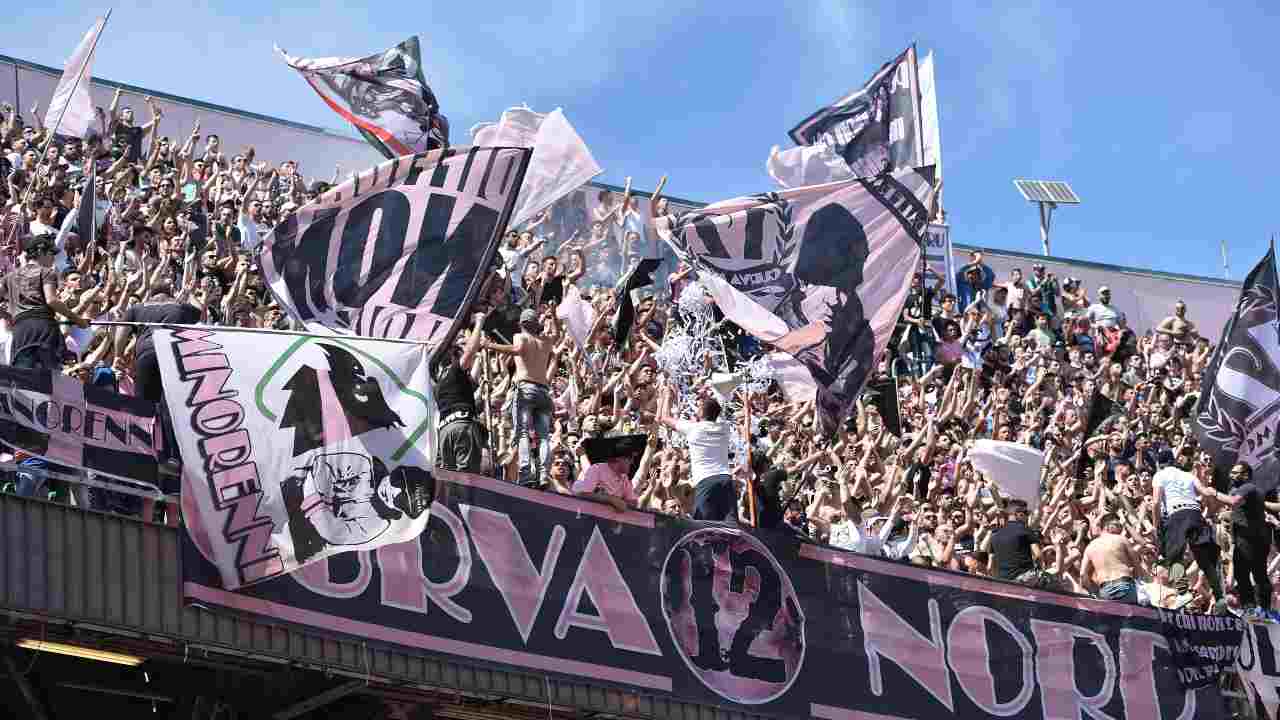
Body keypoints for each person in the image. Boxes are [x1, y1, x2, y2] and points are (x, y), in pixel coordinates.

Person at [482, 308, 554, 486]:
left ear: (521, 324)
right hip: (544, 392)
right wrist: (553, 314)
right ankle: (544, 474)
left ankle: (526, 474)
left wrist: (490, 345)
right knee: (544, 436)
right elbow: (557, 333)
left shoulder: (520, 337)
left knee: (522, 432)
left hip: (526, 389)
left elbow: (517, 349)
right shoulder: (546, 341)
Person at [0, 235, 89, 370]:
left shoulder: (9, 277)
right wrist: (78, 320)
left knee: (25, 380)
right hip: (43, 330)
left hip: (20, 332)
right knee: (50, 380)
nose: (53, 258)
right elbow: (52, 300)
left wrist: (8, 316)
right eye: (51, 253)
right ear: (40, 252)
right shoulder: (47, 272)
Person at [1151, 461, 1228, 613]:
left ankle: (1183, 592)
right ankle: (1219, 597)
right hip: (1195, 514)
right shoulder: (1188, 475)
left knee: (1174, 557)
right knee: (1204, 559)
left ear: (1160, 464)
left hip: (1177, 514)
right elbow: (1204, 492)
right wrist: (1219, 494)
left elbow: (1155, 502)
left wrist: (1156, 525)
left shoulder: (1160, 474)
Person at [657, 389, 734, 521]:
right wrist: (708, 399)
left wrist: (667, 397)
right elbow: (717, 410)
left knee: (704, 523)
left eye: (699, 408)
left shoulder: (693, 428)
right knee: (729, 524)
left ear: (701, 413)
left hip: (706, 481)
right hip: (726, 479)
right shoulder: (725, 428)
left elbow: (663, 418)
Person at [1217, 463, 1275, 620]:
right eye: (1231, 472)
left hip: (1249, 539)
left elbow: (1233, 501)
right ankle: (1259, 609)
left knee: (1246, 574)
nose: (1231, 475)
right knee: (1254, 574)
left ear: (1246, 475)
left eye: (1236, 473)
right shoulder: (1252, 491)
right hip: (1256, 539)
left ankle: (1255, 609)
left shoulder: (1247, 488)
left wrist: (1213, 492)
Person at [433, 312, 487, 473]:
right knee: (466, 477)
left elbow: (472, 374)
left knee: (448, 483)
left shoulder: (440, 384)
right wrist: (479, 322)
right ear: (454, 356)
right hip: (462, 429)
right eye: (460, 350)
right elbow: (471, 352)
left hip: (444, 434)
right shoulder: (454, 371)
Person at [572, 434, 654, 513]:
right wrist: (611, 499)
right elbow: (583, 494)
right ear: (619, 458)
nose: (632, 462)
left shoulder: (624, 478)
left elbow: (633, 502)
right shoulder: (597, 469)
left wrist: (624, 503)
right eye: (630, 458)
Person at [1080, 514, 1141, 603]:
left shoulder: (1090, 546)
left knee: (1112, 616)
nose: (1121, 529)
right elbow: (1136, 563)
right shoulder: (1121, 539)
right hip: (1124, 583)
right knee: (1130, 615)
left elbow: (1082, 574)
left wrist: (1094, 591)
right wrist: (1136, 580)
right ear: (1108, 526)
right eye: (1118, 526)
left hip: (1104, 588)